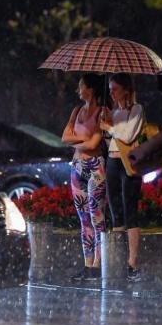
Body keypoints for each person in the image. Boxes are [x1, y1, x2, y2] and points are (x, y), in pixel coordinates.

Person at [62, 73, 109, 281]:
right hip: (77, 166)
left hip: (95, 167)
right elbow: (65, 137)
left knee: (96, 216)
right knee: (83, 220)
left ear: (90, 89)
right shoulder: (77, 110)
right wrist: (83, 139)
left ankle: (98, 265)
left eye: (81, 86)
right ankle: (87, 264)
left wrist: (77, 141)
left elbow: (94, 145)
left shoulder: (102, 112)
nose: (77, 90)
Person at [99, 73, 144, 282]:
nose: (111, 92)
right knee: (115, 210)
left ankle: (133, 261)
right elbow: (113, 140)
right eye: (110, 89)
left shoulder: (137, 110)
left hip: (129, 164)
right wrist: (108, 124)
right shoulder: (115, 112)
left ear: (126, 90)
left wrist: (110, 128)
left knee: (129, 210)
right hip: (112, 162)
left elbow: (127, 136)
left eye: (115, 88)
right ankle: (117, 258)